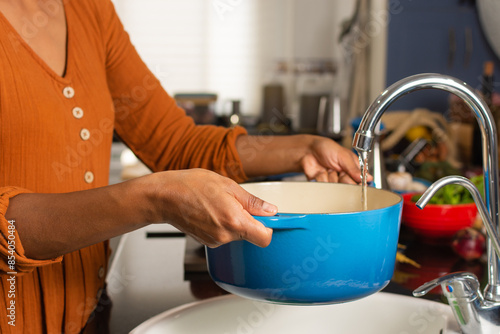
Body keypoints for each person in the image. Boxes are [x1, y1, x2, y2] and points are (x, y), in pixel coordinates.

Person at [0, 0, 364, 333]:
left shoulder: (89, 10)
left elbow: (174, 142)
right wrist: (152, 199)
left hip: (91, 311)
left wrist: (302, 149)